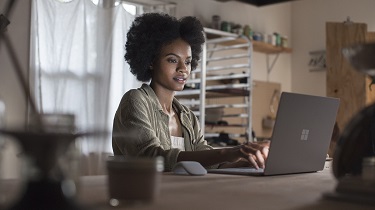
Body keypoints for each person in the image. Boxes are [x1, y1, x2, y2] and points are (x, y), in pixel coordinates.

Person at [112, 13, 269, 171]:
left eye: (187, 62)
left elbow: (211, 162)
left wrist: (251, 161)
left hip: (183, 193)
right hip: (143, 194)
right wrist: (225, 152)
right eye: (173, 60)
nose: (183, 69)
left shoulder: (187, 116)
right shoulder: (135, 101)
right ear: (151, 61)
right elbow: (152, 157)